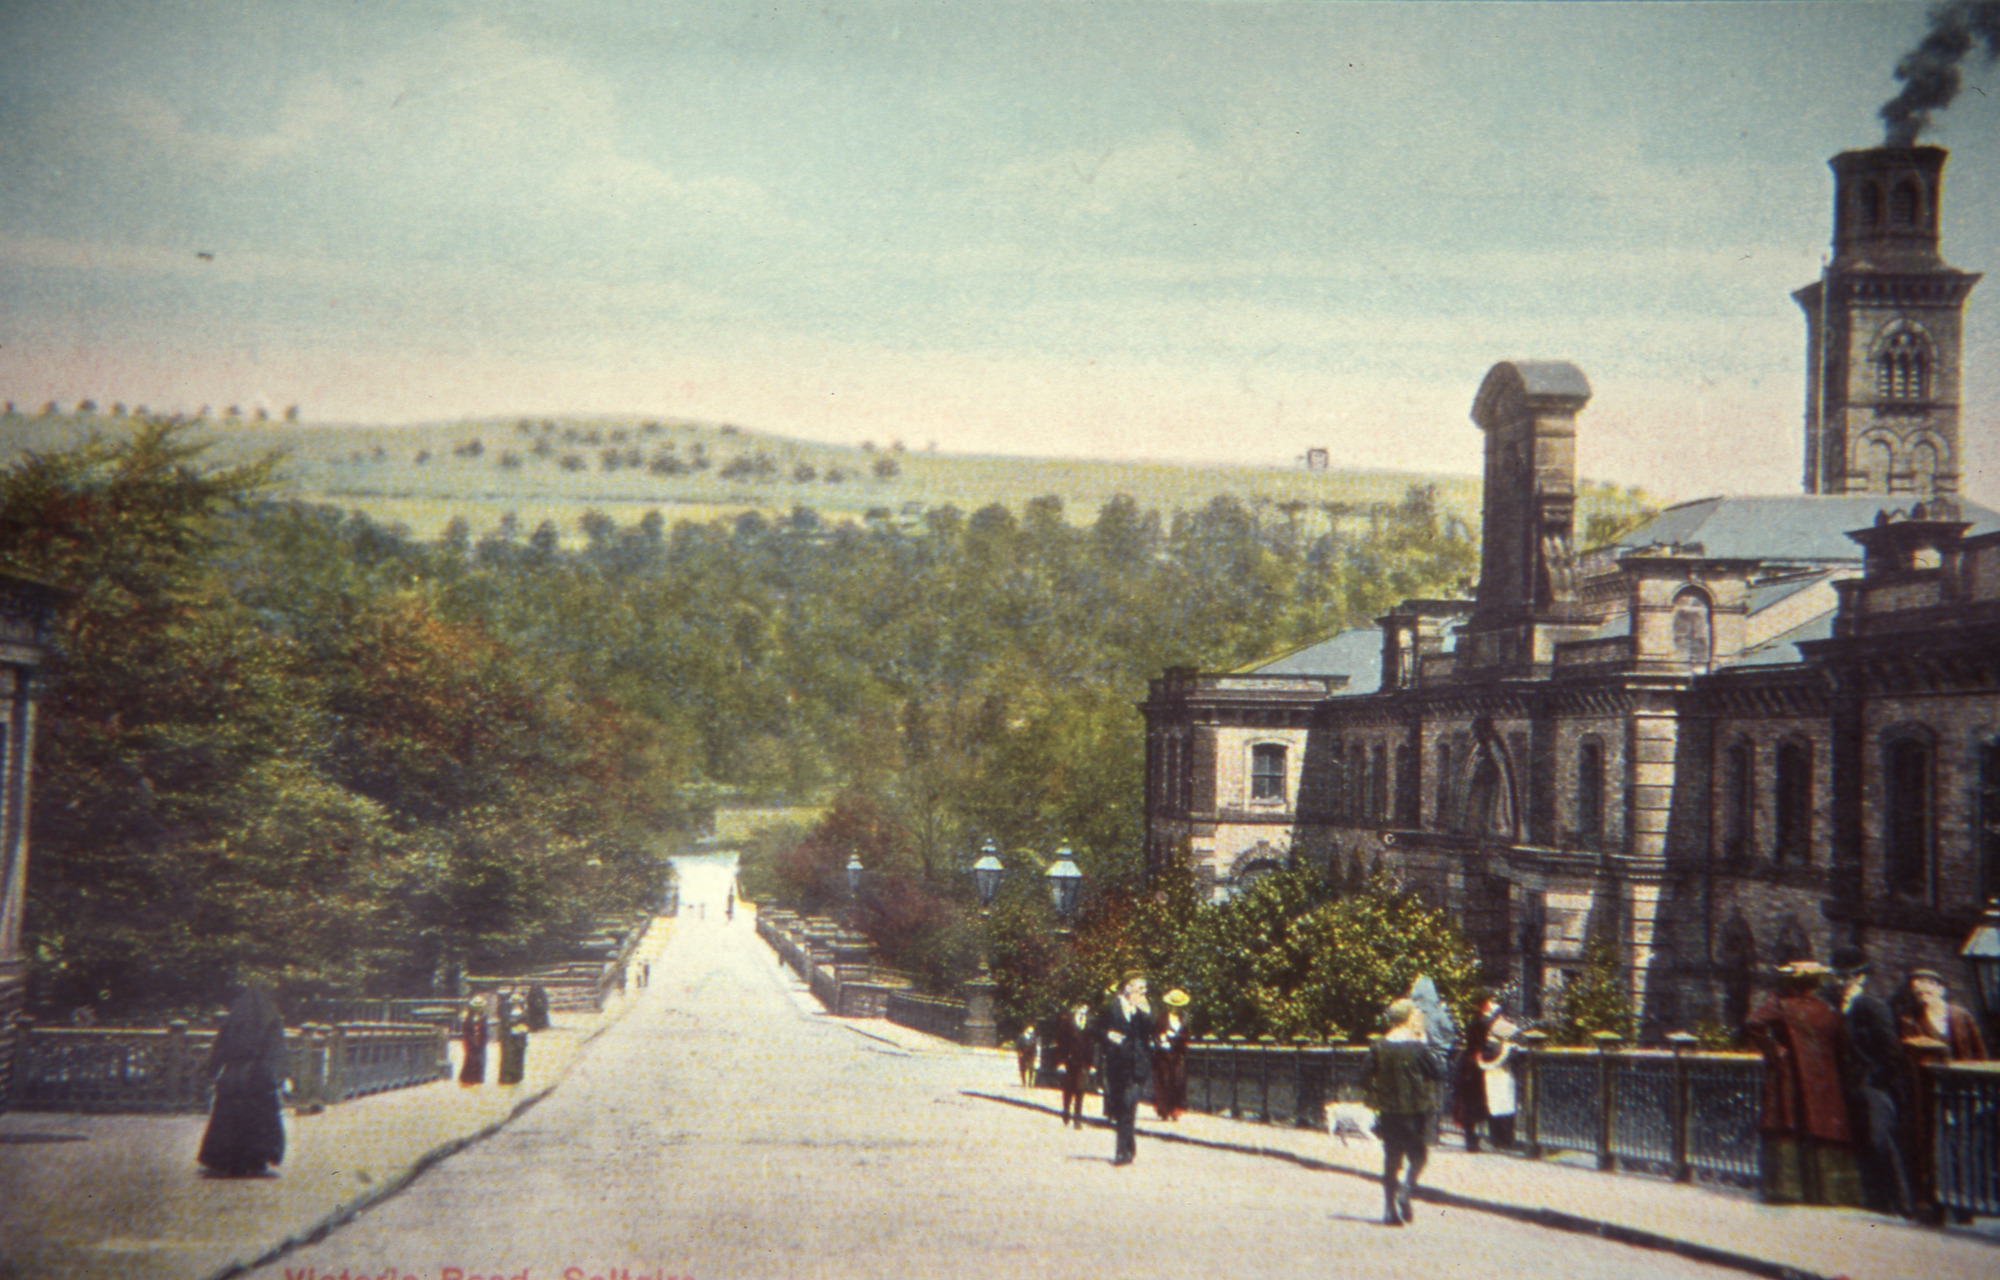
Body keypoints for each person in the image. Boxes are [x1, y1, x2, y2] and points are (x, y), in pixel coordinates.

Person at [1742, 960, 1860, 1206]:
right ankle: (1827, 1193)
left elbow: (1753, 1023)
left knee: (1788, 1122)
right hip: (1824, 1075)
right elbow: (1842, 1044)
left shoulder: (1780, 1004)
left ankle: (1787, 1190)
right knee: (1819, 1123)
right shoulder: (1828, 1009)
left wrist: (1774, 1050)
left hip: (1789, 1073)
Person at [1831, 946, 1914, 1218]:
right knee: (1860, 1139)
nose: (1841, 983)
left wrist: (1872, 1079)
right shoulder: (1836, 1006)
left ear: (1860, 978)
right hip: (1847, 1084)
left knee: (1880, 1140)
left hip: (1872, 1085)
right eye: (1838, 977)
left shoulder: (1872, 1006)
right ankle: (1873, 1199)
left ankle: (1898, 1202)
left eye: (1847, 978)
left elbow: (1891, 1052)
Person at [1363, 998, 1446, 1226]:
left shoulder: (1379, 1046)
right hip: (1415, 1111)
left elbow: (1364, 1076)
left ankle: (1389, 1211)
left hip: (1388, 1112)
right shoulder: (1417, 1047)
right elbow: (1438, 1073)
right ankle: (1406, 1191)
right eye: (1416, 1015)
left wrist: (1378, 1095)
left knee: (1391, 1159)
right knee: (1418, 1155)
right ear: (1408, 1018)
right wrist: (1424, 1043)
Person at [197, 984, 288, 1178]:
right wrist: (278, 1076)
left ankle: (224, 1160)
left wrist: (212, 1071)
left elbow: (220, 1047)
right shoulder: (271, 1015)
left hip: (234, 1074)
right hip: (260, 1076)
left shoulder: (235, 1016)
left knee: (229, 1118)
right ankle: (256, 1162)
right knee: (258, 1119)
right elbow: (277, 1049)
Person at [1099, 971, 1155, 1165]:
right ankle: (1129, 1143)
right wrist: (1107, 1035)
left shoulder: (1145, 1008)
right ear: (1128, 987)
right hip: (1116, 1063)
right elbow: (1093, 1027)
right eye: (1140, 987)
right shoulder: (1110, 1006)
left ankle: (1121, 1152)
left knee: (1129, 1103)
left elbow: (1152, 1032)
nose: (1143, 992)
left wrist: (1146, 1013)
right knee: (1119, 1107)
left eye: (1145, 988)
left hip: (1137, 1064)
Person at [1407, 974, 1459, 1142]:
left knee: (1414, 1096)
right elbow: (1449, 1031)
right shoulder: (1438, 1012)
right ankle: (1431, 1135)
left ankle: (1414, 1133)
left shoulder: (1410, 1012)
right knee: (1435, 1097)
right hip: (1436, 1059)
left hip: (1414, 1059)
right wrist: (1443, 1045)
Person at [1454, 989, 1498, 1151]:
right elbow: (1478, 1045)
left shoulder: (1475, 1020)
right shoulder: (1481, 1022)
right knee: (1474, 1102)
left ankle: (1471, 1140)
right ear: (1484, 1003)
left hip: (1469, 1062)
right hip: (1475, 1064)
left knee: (1470, 1102)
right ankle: (1473, 1141)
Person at [1478, 998, 1520, 1150]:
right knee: (1503, 1106)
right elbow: (1517, 1033)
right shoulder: (1496, 1027)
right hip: (1500, 1072)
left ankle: (1497, 1139)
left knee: (1495, 1106)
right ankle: (1505, 1140)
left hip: (1490, 1072)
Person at [1151, 989, 1192, 1121]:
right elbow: (1155, 1033)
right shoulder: (1162, 1018)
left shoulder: (1183, 1019)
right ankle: (1164, 1110)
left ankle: (1175, 1109)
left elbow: (1186, 1036)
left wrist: (1180, 1039)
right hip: (1163, 1055)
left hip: (1177, 1054)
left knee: (1177, 1081)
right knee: (1164, 1080)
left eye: (1178, 1006)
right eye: (1174, 1005)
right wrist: (1162, 1038)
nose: (1176, 1008)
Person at [1055, 1002, 1094, 1128]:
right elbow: (1061, 1043)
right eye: (1082, 1008)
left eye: (1086, 1009)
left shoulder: (1089, 1023)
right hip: (1069, 1060)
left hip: (1082, 1061)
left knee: (1080, 1089)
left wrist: (1091, 1063)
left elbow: (1091, 1044)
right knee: (1068, 1088)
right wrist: (1061, 1062)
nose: (1084, 1011)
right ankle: (1066, 1110)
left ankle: (1077, 1118)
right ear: (1076, 1008)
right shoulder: (1067, 1022)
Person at [458, 997, 489, 1086]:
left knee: (480, 1058)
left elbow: (485, 1030)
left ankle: (478, 1077)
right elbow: (466, 1030)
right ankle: (468, 1077)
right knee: (470, 1058)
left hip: (480, 1040)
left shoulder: (483, 1017)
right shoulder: (468, 1017)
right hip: (470, 1040)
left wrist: (482, 1040)